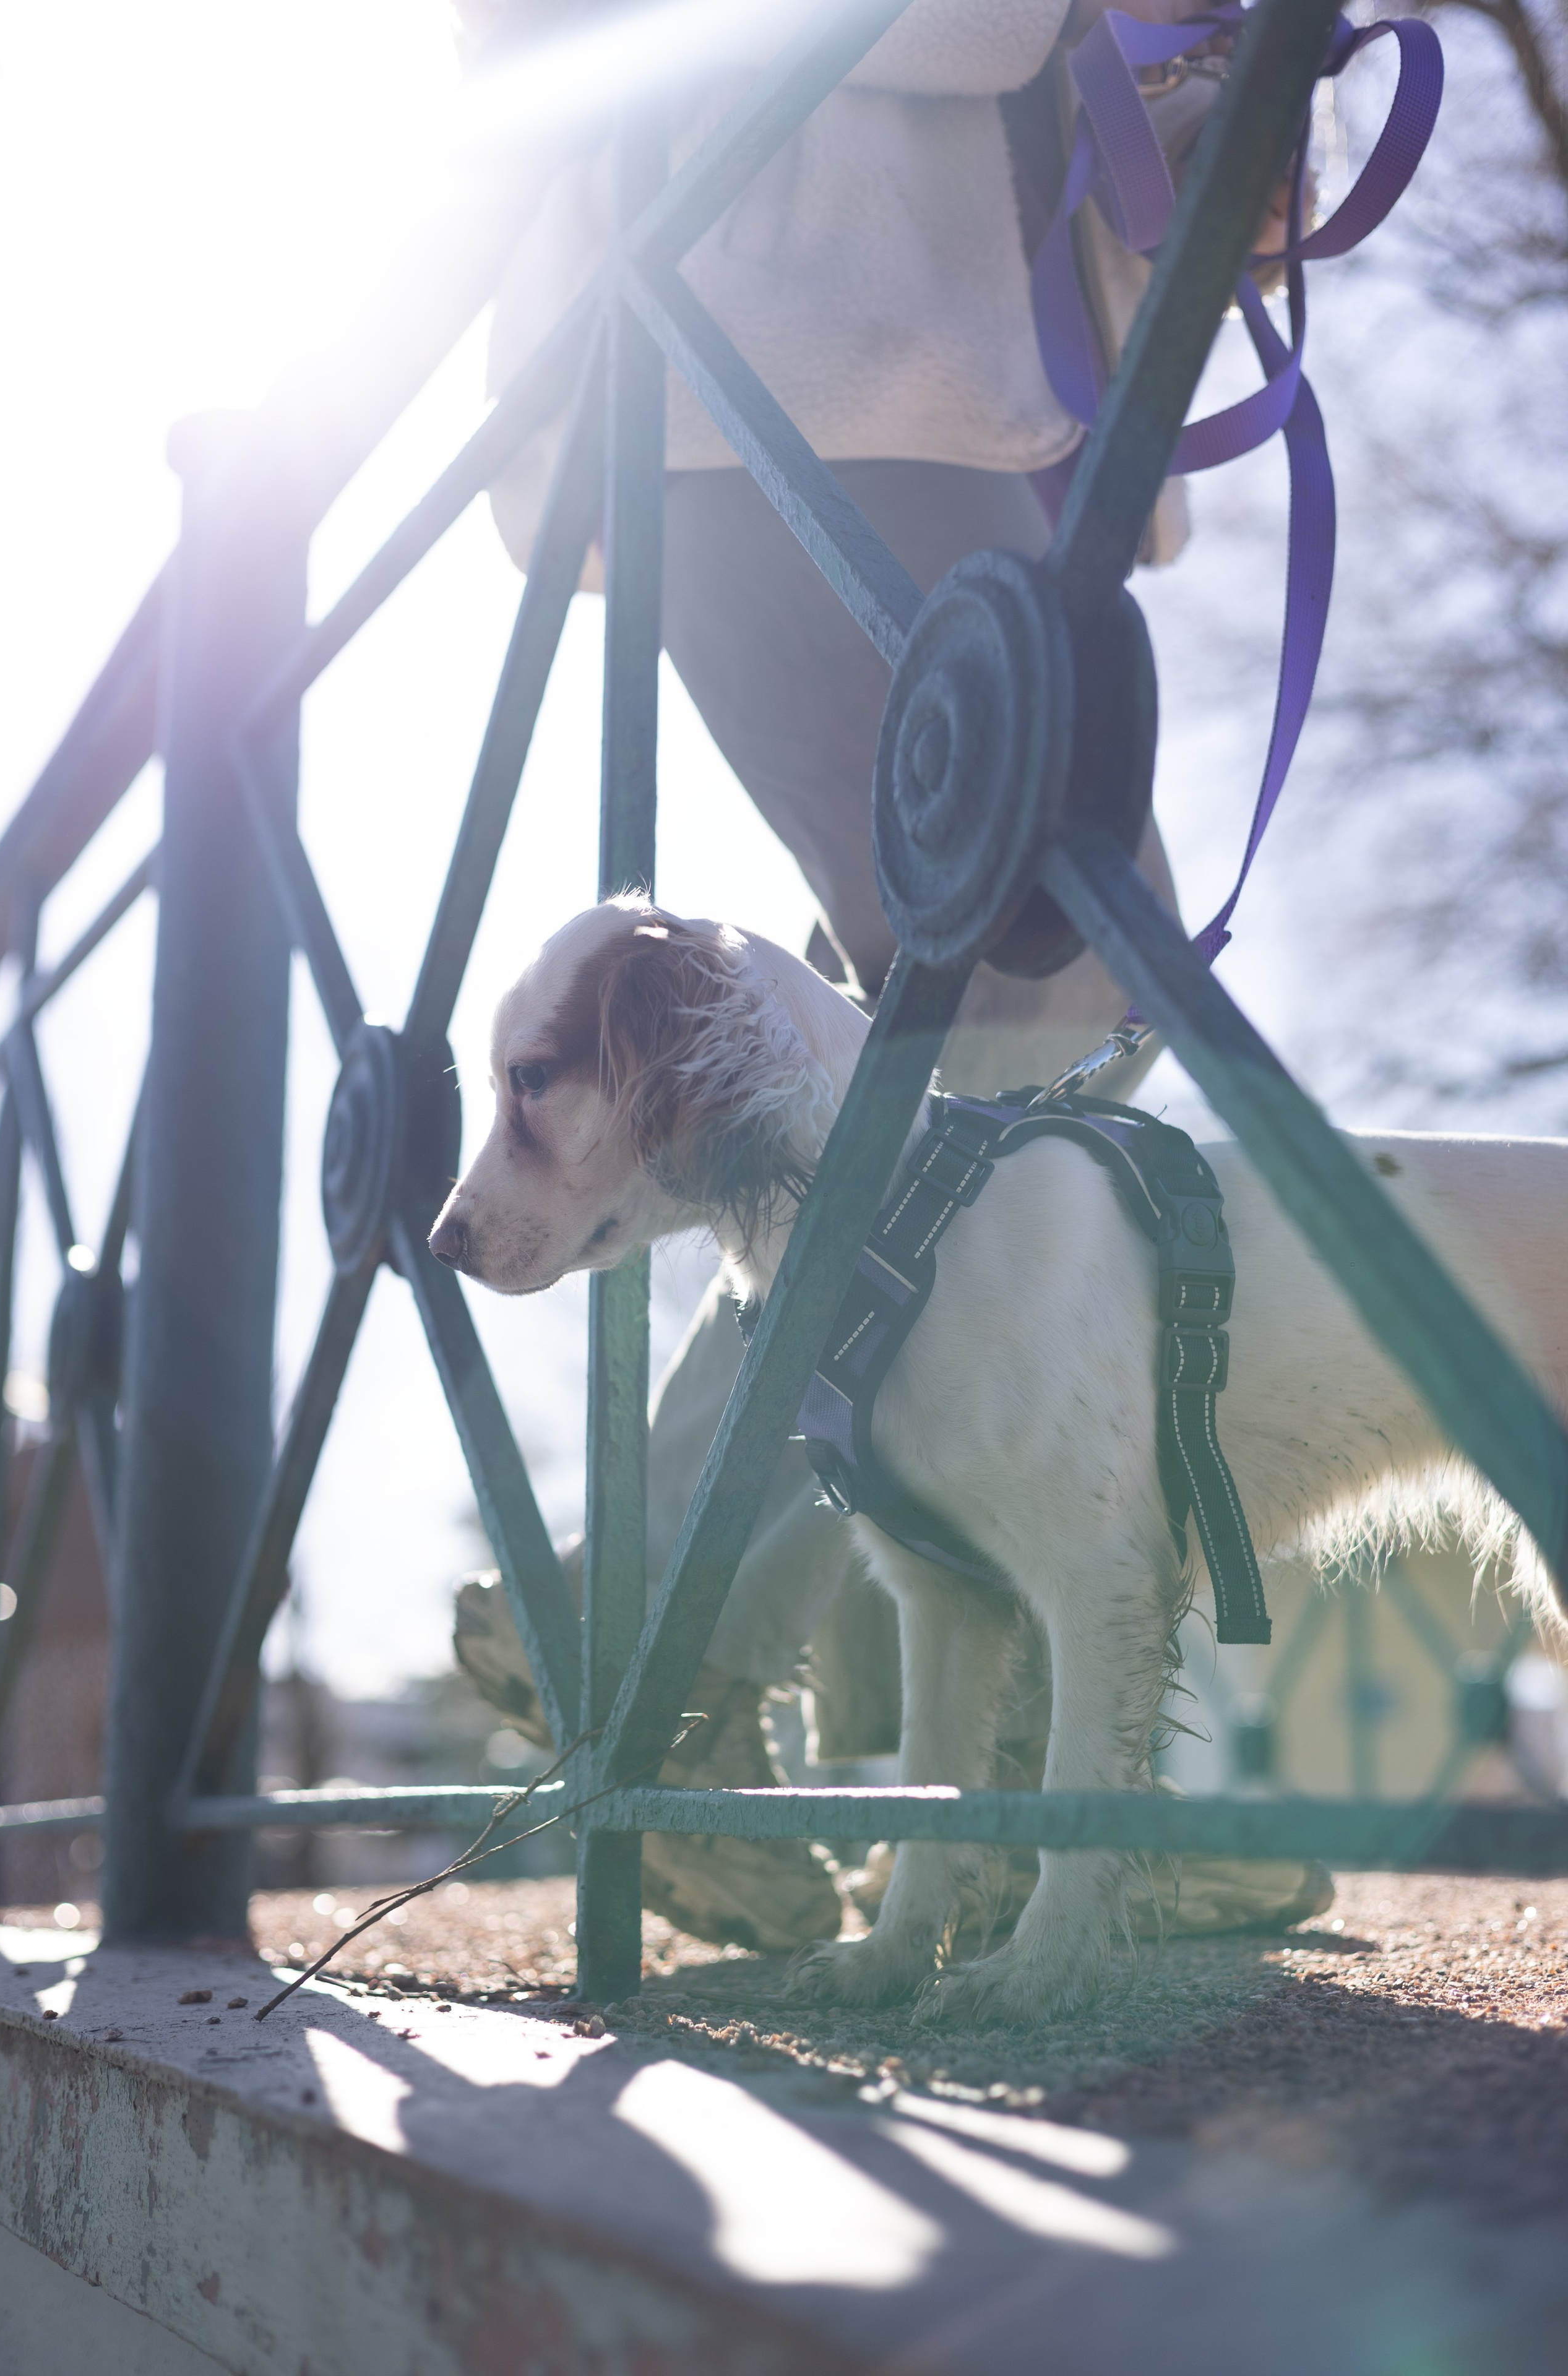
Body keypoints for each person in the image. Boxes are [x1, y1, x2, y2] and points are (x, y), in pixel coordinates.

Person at [451, 0, 1330, 1950]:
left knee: (981, 1047)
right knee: (1042, 1004)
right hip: (794, 371)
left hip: (870, 384)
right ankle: (741, 1663)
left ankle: (818, 1690)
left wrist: (1201, 116)